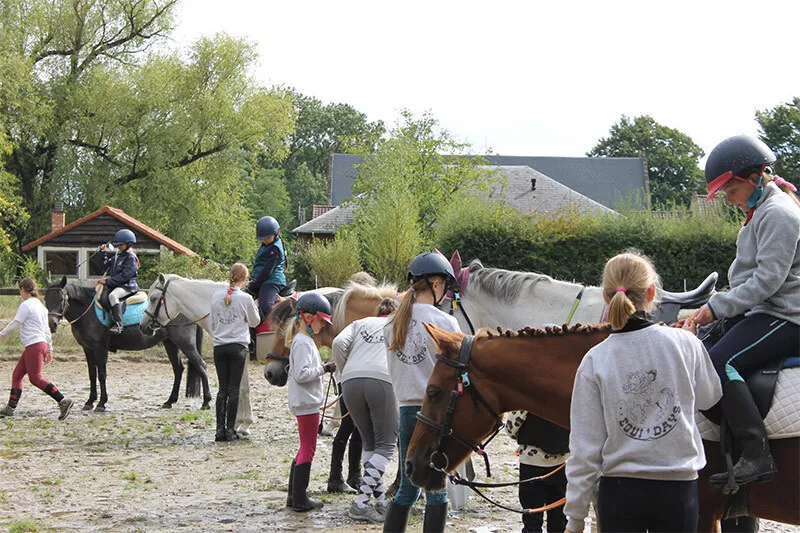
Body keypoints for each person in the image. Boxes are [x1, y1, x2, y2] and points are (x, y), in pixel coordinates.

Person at [564, 252, 722, 533]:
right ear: (652, 293)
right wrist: (693, 351)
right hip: (678, 491)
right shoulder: (685, 344)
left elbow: (584, 450)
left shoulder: (595, 359)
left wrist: (575, 520)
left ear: (605, 297)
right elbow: (711, 398)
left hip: (620, 494)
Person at [688, 135, 800, 487]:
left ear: (752, 179)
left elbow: (766, 282)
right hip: (767, 309)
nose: (727, 199)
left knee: (719, 364)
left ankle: (756, 454)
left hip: (788, 314)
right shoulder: (760, 211)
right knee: (699, 355)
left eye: (729, 191)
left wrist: (715, 308)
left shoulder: (779, 214)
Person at [383, 252, 461, 533]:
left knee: (408, 487)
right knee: (437, 487)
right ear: (437, 283)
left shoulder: (391, 323)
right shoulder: (446, 323)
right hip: (435, 414)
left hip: (404, 409)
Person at [332, 297, 399, 523]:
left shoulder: (360, 323)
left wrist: (347, 370)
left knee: (370, 443)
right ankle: (360, 503)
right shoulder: (397, 325)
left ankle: (380, 502)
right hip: (382, 379)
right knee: (387, 444)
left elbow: (338, 344)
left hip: (350, 381)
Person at [285, 292, 336, 513]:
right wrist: (324, 368)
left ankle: (292, 495)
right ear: (307, 317)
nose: (323, 326)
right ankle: (299, 499)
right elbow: (302, 374)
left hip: (304, 402)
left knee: (303, 447)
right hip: (307, 403)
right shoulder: (304, 343)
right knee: (309, 448)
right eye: (320, 321)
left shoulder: (302, 341)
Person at [0, 278, 74, 420]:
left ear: (22, 289)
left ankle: (63, 400)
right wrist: (50, 349)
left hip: (34, 345)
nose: (20, 293)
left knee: (36, 378)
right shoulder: (40, 306)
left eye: (20, 290)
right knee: (17, 375)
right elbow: (46, 329)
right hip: (38, 344)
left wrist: (1, 334)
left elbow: (16, 322)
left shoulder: (26, 305)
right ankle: (10, 408)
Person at [210, 263, 260, 442]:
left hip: (219, 347)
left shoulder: (216, 296)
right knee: (234, 390)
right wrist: (254, 306)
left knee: (222, 390)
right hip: (238, 347)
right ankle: (230, 430)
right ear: (245, 279)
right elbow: (255, 322)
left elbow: (212, 324)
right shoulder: (245, 298)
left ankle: (219, 430)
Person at [504, 410, 568, 533]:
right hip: (561, 463)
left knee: (532, 519)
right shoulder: (566, 393)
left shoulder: (530, 393)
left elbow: (510, 429)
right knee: (559, 518)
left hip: (531, 462)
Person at [98, 229, 139, 335]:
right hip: (116, 284)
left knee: (113, 296)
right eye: (118, 245)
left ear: (128, 244)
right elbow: (106, 265)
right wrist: (103, 253)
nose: (119, 247)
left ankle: (118, 324)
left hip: (127, 286)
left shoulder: (131, 257)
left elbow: (125, 276)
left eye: (121, 245)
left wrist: (107, 281)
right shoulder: (118, 255)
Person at [246, 216, 287, 321]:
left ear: (275, 233)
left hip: (272, 281)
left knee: (266, 306)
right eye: (263, 239)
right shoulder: (267, 244)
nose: (265, 241)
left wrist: (254, 284)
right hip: (263, 280)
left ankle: (279, 328)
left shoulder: (275, 249)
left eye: (268, 238)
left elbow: (267, 272)